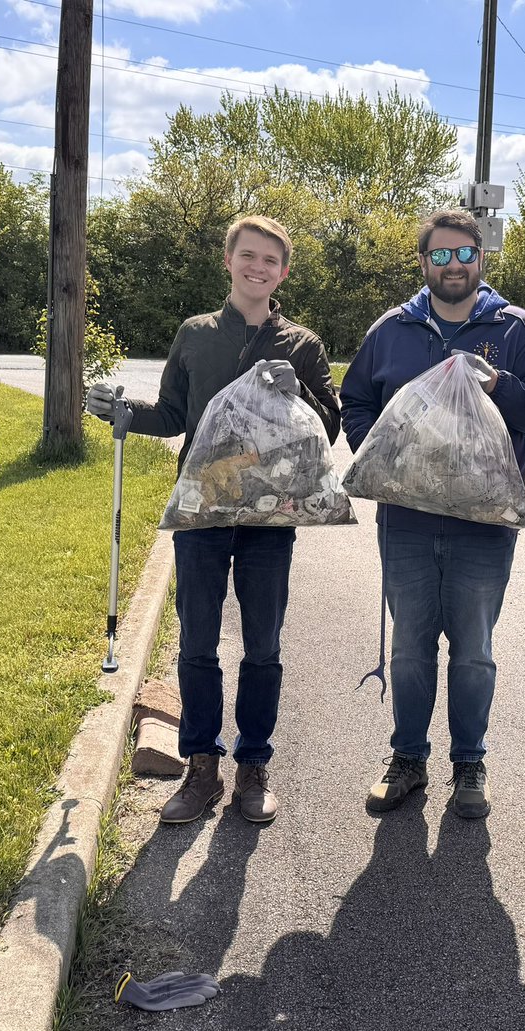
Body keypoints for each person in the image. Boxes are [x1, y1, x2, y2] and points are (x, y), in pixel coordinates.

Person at [85, 215, 340, 826]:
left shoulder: (301, 344)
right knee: (197, 643)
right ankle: (201, 766)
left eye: (270, 261)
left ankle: (254, 766)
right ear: (228, 261)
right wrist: (124, 413)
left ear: (283, 272)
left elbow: (327, 429)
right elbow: (174, 413)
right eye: (248, 256)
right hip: (201, 509)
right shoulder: (196, 334)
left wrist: (300, 395)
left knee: (263, 647)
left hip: (269, 515)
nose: (258, 268)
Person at [341, 209, 525, 820]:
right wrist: (376, 451)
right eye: (440, 256)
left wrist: (498, 386)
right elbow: (356, 398)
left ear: (481, 258)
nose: (454, 265)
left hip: (483, 523)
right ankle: (408, 759)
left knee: (473, 650)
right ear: (423, 263)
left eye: (464, 253)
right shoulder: (393, 330)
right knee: (411, 648)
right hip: (406, 518)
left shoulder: (515, 329)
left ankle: (469, 763)